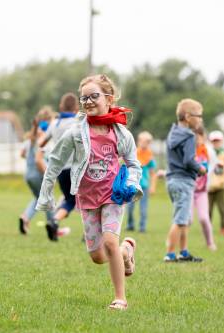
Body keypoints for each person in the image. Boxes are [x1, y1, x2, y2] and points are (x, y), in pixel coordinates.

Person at [36, 74, 142, 310]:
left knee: (110, 243)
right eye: (84, 98)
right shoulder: (75, 132)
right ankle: (127, 251)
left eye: (94, 96)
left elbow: (134, 164)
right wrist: (45, 194)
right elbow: (54, 161)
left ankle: (120, 299)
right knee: (98, 257)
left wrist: (132, 184)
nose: (88, 101)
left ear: (109, 98)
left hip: (113, 196)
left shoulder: (121, 134)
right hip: (86, 197)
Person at [164, 99, 206, 263]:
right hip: (183, 181)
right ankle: (170, 254)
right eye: (199, 116)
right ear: (188, 117)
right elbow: (189, 160)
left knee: (185, 219)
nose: (201, 119)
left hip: (172, 180)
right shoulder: (189, 136)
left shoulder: (173, 132)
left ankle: (184, 252)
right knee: (180, 219)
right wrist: (200, 168)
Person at [39, 93, 79, 241]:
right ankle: (90, 233)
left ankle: (54, 220)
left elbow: (41, 143)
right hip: (77, 168)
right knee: (88, 200)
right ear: (76, 108)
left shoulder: (54, 123)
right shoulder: (78, 122)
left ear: (61, 107)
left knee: (70, 200)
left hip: (60, 169)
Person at [19, 106, 55, 234]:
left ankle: (25, 218)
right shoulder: (43, 137)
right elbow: (39, 160)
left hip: (28, 175)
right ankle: (52, 225)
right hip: (39, 174)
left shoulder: (31, 137)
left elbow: (22, 153)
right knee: (48, 197)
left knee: (38, 197)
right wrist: (48, 174)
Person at [191, 126, 217, 250]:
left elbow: (215, 167)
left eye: (200, 135)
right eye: (195, 135)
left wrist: (219, 168)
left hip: (202, 191)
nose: (197, 138)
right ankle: (179, 246)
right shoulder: (188, 150)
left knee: (204, 218)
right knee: (187, 219)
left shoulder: (209, 151)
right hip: (189, 189)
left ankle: (210, 242)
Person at [126, 131, 157, 233]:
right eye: (142, 141)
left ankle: (142, 227)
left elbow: (153, 174)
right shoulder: (133, 154)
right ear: (138, 141)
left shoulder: (150, 157)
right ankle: (130, 225)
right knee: (129, 208)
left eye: (147, 142)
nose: (144, 143)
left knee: (143, 209)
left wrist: (153, 186)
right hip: (132, 185)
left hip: (144, 186)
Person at [208, 130, 224, 235]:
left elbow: (222, 170)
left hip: (221, 185)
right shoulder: (208, 152)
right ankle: (208, 228)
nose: (216, 143)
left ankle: (223, 227)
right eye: (214, 141)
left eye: (217, 141)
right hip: (209, 185)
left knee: (222, 208)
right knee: (208, 209)